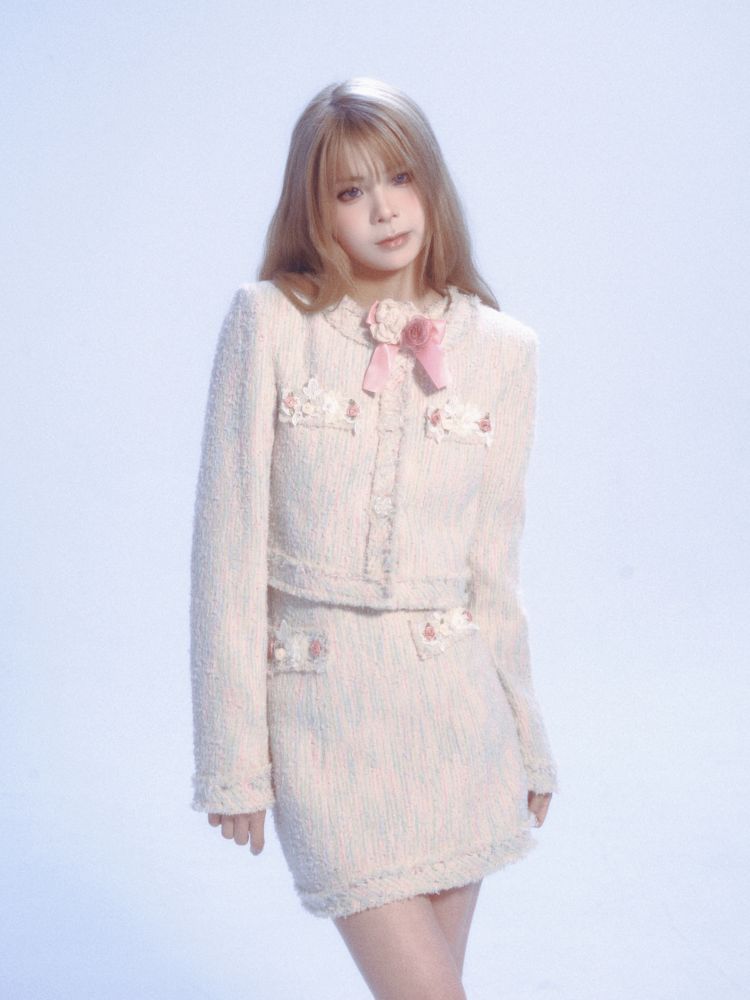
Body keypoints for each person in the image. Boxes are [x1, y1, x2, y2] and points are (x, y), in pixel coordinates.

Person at [189, 76, 560, 999]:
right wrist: (232, 761)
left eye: (400, 177)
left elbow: (494, 570)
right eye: (350, 190)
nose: (384, 209)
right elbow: (226, 556)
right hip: (324, 721)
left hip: (458, 722)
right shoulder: (269, 322)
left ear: (431, 182)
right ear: (315, 210)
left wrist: (528, 737)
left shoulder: (505, 350)